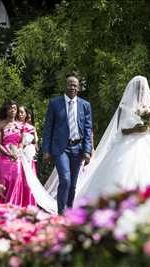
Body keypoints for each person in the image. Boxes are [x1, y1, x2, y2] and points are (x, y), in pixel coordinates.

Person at [73, 75, 150, 204]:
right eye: (138, 88)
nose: (141, 90)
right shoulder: (124, 107)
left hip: (149, 143)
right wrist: (134, 130)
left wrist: (149, 123)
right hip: (128, 144)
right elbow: (120, 131)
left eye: (142, 88)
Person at [42, 74, 93, 214]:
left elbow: (88, 130)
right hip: (60, 148)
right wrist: (46, 150)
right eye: (70, 84)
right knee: (65, 179)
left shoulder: (85, 105)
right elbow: (48, 128)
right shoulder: (54, 103)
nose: (72, 87)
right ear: (65, 86)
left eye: (75, 85)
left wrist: (87, 151)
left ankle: (69, 213)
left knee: (73, 185)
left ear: (79, 88)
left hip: (78, 148)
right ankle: (61, 213)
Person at [0, 100, 36, 207]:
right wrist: (8, 154)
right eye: (10, 108)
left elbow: (21, 141)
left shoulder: (21, 125)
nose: (13, 110)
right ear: (6, 110)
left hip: (16, 158)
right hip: (3, 158)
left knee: (16, 181)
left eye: (14, 108)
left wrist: (19, 150)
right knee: (3, 184)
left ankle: (14, 206)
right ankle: (1, 209)